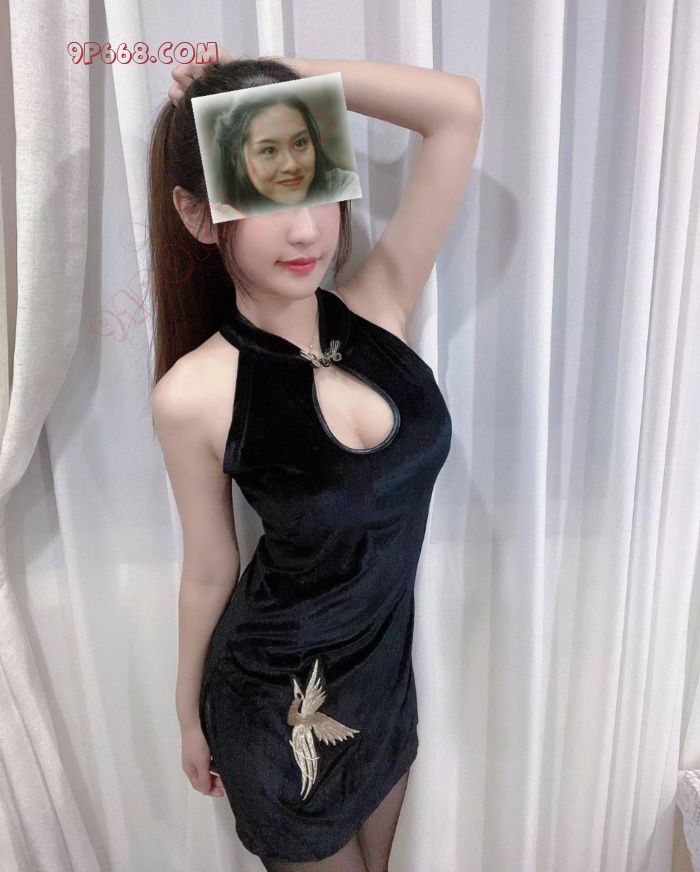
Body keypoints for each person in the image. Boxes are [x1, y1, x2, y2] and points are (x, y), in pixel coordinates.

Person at [151, 52, 481, 871]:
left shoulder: (381, 305)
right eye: (264, 198)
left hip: (382, 686)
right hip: (273, 709)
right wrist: (188, 716)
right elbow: (209, 568)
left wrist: (275, 77)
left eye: (314, 186)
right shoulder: (195, 394)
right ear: (197, 215)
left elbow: (456, 111)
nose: (305, 231)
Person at [209, 94, 362, 221]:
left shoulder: (343, 187)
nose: (291, 165)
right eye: (269, 150)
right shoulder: (220, 215)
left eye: (300, 143)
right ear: (236, 158)